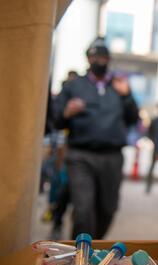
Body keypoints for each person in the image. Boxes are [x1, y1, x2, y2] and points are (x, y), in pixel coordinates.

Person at [54, 37, 139, 239]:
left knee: (107, 210)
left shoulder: (119, 86)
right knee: (83, 211)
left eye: (103, 57)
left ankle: (94, 249)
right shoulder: (74, 87)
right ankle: (80, 254)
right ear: (88, 59)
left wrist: (126, 96)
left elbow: (133, 118)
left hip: (112, 157)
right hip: (81, 156)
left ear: (109, 60)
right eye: (95, 57)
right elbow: (55, 121)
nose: (100, 61)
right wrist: (67, 113)